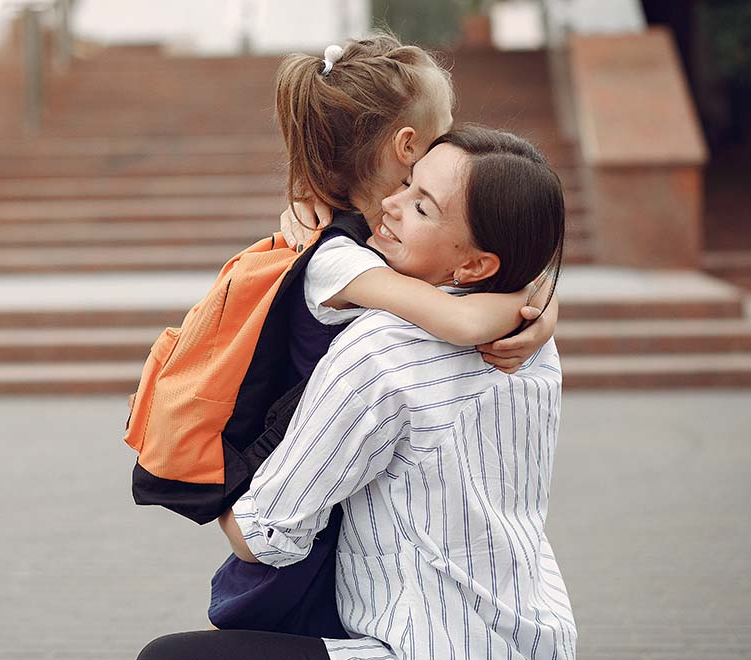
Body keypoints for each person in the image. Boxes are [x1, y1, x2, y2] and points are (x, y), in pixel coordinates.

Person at [140, 126, 575, 660]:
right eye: (408, 182)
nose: (390, 203)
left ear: (475, 266)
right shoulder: (529, 338)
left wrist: (204, 481)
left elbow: (266, 537)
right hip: (537, 637)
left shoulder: (380, 349)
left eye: (422, 207)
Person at [204, 36, 559, 639]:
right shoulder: (340, 257)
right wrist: (533, 309)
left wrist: (539, 300)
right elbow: (463, 319)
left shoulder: (389, 250)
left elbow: (476, 276)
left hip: (338, 490)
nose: (455, 135)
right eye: (446, 127)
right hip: (307, 488)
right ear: (408, 145)